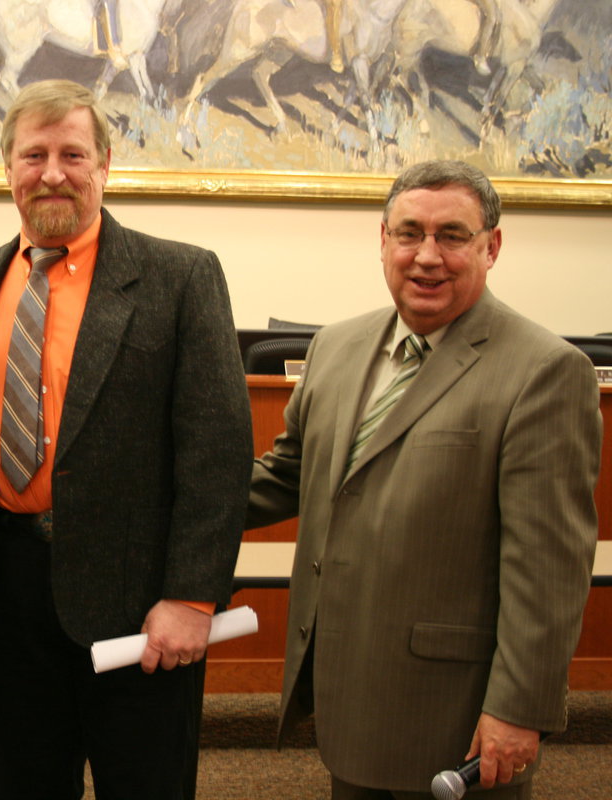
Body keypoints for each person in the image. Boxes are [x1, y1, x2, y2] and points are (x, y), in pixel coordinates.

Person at [249, 160, 600, 799]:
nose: (427, 256)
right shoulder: (336, 347)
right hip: (350, 687)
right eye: (409, 233)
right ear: (382, 241)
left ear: (492, 246)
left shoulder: (545, 371)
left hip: (455, 711)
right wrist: (157, 496)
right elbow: (284, 476)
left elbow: (547, 571)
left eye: (453, 236)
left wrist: (520, 709)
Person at [0, 79, 252, 800]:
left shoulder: (180, 277)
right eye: (33, 155)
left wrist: (193, 597)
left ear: (105, 166)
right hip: (9, 606)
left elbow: (217, 450)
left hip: (142, 605)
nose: (52, 172)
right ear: (9, 169)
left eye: (72, 154)